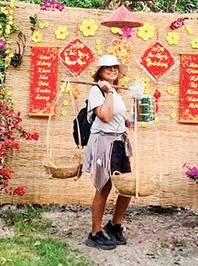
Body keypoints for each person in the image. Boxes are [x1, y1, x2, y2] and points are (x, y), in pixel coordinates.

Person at [82, 54, 132, 250]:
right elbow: (105, 116)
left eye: (115, 67)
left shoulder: (114, 91)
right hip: (103, 142)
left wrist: (127, 121)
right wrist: (109, 92)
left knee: (127, 186)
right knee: (104, 187)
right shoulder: (97, 90)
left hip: (119, 141)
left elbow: (116, 115)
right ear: (100, 71)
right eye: (108, 67)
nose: (112, 70)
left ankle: (114, 225)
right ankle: (95, 233)